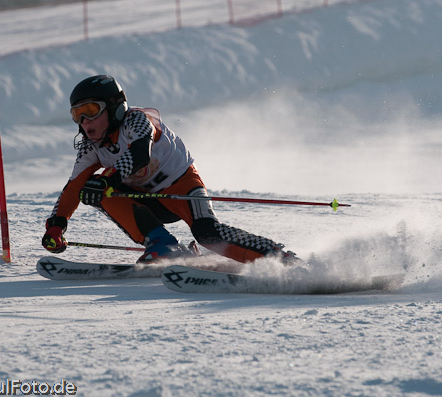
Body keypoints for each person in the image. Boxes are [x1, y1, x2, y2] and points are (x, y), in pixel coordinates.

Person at [42, 75, 296, 264]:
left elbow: (140, 154)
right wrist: (57, 224)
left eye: (90, 111)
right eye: (77, 115)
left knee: (207, 233)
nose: (84, 122)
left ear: (114, 107)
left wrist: (108, 178)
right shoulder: (91, 147)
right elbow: (73, 187)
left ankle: (280, 259)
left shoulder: (137, 121)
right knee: (92, 189)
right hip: (147, 201)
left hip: (181, 186)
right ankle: (162, 245)